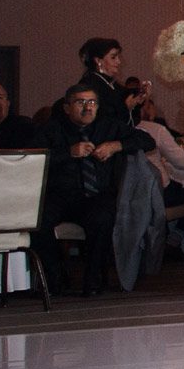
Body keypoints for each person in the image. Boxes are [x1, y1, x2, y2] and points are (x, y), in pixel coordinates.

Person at [39, 83, 154, 295]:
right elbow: (37, 159)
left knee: (102, 218)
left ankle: (93, 279)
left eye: (92, 102)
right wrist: (68, 152)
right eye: (80, 102)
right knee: (38, 219)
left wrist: (115, 146)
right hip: (60, 195)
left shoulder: (108, 126)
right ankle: (54, 277)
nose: (87, 107)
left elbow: (147, 140)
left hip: (96, 195)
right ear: (67, 107)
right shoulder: (53, 129)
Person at [134, 93, 184, 240]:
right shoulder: (155, 129)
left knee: (177, 184)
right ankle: (177, 236)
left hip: (129, 195)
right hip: (158, 192)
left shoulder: (113, 129)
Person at [75, 37, 130, 127]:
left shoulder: (112, 84)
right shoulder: (89, 85)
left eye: (118, 57)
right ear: (98, 61)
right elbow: (100, 119)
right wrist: (127, 107)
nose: (119, 62)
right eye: (113, 57)